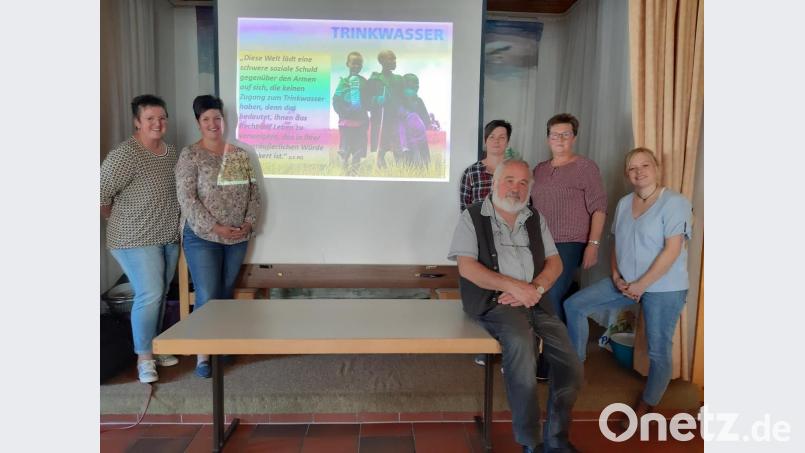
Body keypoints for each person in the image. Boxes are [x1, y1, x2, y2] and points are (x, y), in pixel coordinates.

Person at [448, 159, 583, 452]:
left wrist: (534, 289)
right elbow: (467, 267)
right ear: (495, 183)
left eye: (523, 183)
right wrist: (513, 287)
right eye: (509, 180)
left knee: (571, 367)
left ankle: (556, 440)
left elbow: (555, 263)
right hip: (496, 302)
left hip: (535, 300)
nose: (516, 188)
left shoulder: (535, 218)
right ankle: (530, 441)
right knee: (522, 350)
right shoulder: (473, 216)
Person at [564, 147, 691, 423]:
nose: (639, 172)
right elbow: (616, 244)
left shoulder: (675, 202)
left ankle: (648, 403)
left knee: (658, 349)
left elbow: (672, 250)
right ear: (627, 174)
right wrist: (616, 275)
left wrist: (642, 285)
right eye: (632, 168)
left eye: (645, 165)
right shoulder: (623, 203)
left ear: (656, 168)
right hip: (626, 283)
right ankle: (576, 369)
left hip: (664, 287)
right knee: (574, 305)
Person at [176, 95, 261, 378]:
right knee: (208, 293)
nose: (213, 124)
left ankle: (221, 344)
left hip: (237, 239)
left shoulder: (239, 155)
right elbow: (187, 199)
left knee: (224, 293)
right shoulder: (191, 155)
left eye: (217, 118)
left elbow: (254, 194)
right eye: (206, 119)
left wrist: (248, 223)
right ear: (198, 123)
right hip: (203, 237)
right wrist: (215, 227)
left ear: (224, 120)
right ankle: (203, 355)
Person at [100, 94, 181, 384]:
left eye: (162, 118)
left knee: (160, 293)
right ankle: (144, 357)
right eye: (150, 118)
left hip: (167, 236)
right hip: (133, 238)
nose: (157, 123)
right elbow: (99, 194)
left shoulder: (171, 153)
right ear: (137, 122)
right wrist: (117, 218)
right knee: (150, 293)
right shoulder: (125, 155)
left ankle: (154, 346)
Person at [530, 113, 607, 380]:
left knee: (551, 296)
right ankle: (539, 351)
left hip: (569, 242)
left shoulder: (586, 168)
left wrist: (593, 244)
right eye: (555, 135)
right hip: (539, 243)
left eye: (566, 134)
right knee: (540, 295)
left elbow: (599, 208)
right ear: (548, 139)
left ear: (574, 137)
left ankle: (552, 360)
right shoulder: (540, 169)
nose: (560, 139)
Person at [458, 119, 511, 367]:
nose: (497, 141)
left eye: (502, 137)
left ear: (508, 142)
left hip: (508, 243)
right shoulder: (472, 173)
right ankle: (484, 348)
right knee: (482, 295)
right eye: (492, 137)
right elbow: (464, 210)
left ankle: (508, 350)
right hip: (479, 242)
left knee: (506, 296)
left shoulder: (514, 171)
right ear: (485, 141)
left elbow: (526, 206)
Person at [332, 51, 370, 176]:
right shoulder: (343, 82)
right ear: (347, 64)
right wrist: (345, 111)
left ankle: (354, 175)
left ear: (362, 66)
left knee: (358, 152)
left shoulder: (364, 82)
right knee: (345, 152)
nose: (356, 66)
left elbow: (368, 101)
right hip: (346, 123)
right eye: (354, 63)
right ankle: (344, 175)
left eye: (359, 63)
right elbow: (336, 100)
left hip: (361, 123)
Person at [367, 50, 404, 168]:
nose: (394, 61)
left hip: (395, 120)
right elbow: (366, 101)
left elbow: (403, 99)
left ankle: (400, 173)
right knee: (380, 150)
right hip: (379, 120)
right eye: (391, 59)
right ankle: (382, 173)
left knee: (398, 149)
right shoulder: (374, 80)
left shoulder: (399, 80)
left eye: (395, 59)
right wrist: (376, 100)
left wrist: (401, 108)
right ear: (382, 61)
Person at [397, 73, 431, 166]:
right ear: (406, 85)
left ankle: (426, 167)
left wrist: (426, 124)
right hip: (409, 135)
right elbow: (400, 116)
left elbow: (425, 116)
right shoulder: (402, 101)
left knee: (424, 155)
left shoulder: (419, 101)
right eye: (414, 83)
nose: (417, 85)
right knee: (411, 156)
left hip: (420, 133)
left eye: (418, 83)